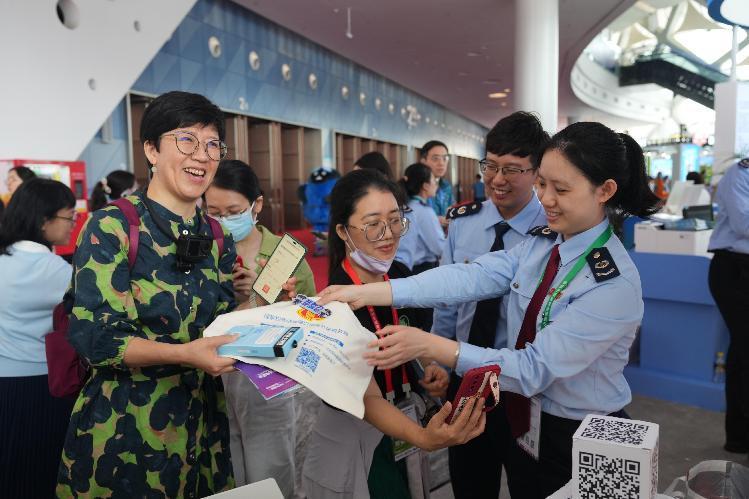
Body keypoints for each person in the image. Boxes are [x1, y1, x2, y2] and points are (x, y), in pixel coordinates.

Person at [319, 122, 661, 498]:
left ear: (605, 191)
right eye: (542, 184)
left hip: (578, 433)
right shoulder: (545, 245)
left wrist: (431, 346)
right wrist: (373, 292)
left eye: (560, 189)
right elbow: (473, 276)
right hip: (526, 421)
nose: (545, 199)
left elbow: (533, 369)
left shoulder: (612, 283)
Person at [56, 91, 293, 498]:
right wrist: (186, 354)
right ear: (151, 149)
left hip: (203, 427)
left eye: (213, 144)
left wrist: (265, 308)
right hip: (126, 429)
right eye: (187, 140)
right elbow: (98, 339)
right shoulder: (112, 226)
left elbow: (220, 319)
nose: (202, 155)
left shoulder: (215, 235)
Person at [302, 169, 485, 499]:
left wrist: (430, 367)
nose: (388, 235)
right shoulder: (333, 305)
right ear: (343, 231)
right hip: (361, 431)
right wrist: (422, 437)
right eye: (373, 224)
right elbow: (367, 398)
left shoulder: (400, 276)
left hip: (405, 418)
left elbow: (416, 335)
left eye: (395, 220)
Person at [433, 111, 549, 499]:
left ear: (536, 171)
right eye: (491, 166)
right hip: (465, 379)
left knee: (528, 486)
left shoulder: (553, 229)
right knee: (469, 483)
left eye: (512, 169)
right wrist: (438, 361)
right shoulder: (463, 222)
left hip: (524, 388)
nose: (497, 179)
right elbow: (447, 302)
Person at [203, 159, 316, 497]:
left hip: (269, 383)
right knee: (228, 473)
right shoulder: (201, 253)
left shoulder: (285, 254)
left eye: (233, 211)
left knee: (270, 474)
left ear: (257, 205)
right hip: (211, 382)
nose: (223, 220)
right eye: (213, 212)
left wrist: (268, 298)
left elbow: (313, 318)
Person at [0, 178, 76, 498]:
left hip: (4, 382)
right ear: (44, 221)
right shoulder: (56, 271)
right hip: (43, 385)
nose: (73, 224)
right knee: (39, 473)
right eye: (69, 216)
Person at [707, 158, 749, 455]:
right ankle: (739, 434)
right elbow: (743, 223)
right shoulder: (740, 173)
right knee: (746, 349)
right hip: (735, 269)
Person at [395, 163, 446, 275]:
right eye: (434, 180)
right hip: (422, 270)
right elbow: (440, 248)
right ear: (425, 186)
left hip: (403, 268)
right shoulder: (424, 211)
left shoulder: (403, 206)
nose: (436, 184)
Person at [419, 140, 452, 226]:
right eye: (435, 159)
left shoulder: (446, 186)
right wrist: (434, 220)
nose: (441, 163)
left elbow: (451, 206)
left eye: (445, 158)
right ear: (423, 161)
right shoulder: (415, 187)